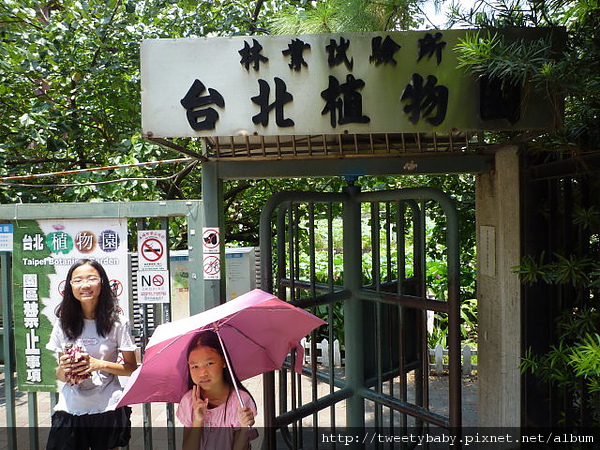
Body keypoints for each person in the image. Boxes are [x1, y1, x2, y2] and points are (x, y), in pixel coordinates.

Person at [46, 259, 137, 450]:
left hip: (106, 406)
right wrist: (65, 368)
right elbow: (61, 375)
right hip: (71, 407)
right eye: (77, 280)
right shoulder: (64, 323)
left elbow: (131, 368)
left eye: (91, 279)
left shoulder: (117, 322)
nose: (85, 285)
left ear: (101, 282)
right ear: (70, 286)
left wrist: (99, 364)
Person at [177, 331, 258, 450]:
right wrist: (198, 420)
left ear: (224, 362)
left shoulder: (240, 402)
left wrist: (244, 428)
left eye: (209, 363)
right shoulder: (189, 402)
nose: (202, 373)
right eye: (195, 366)